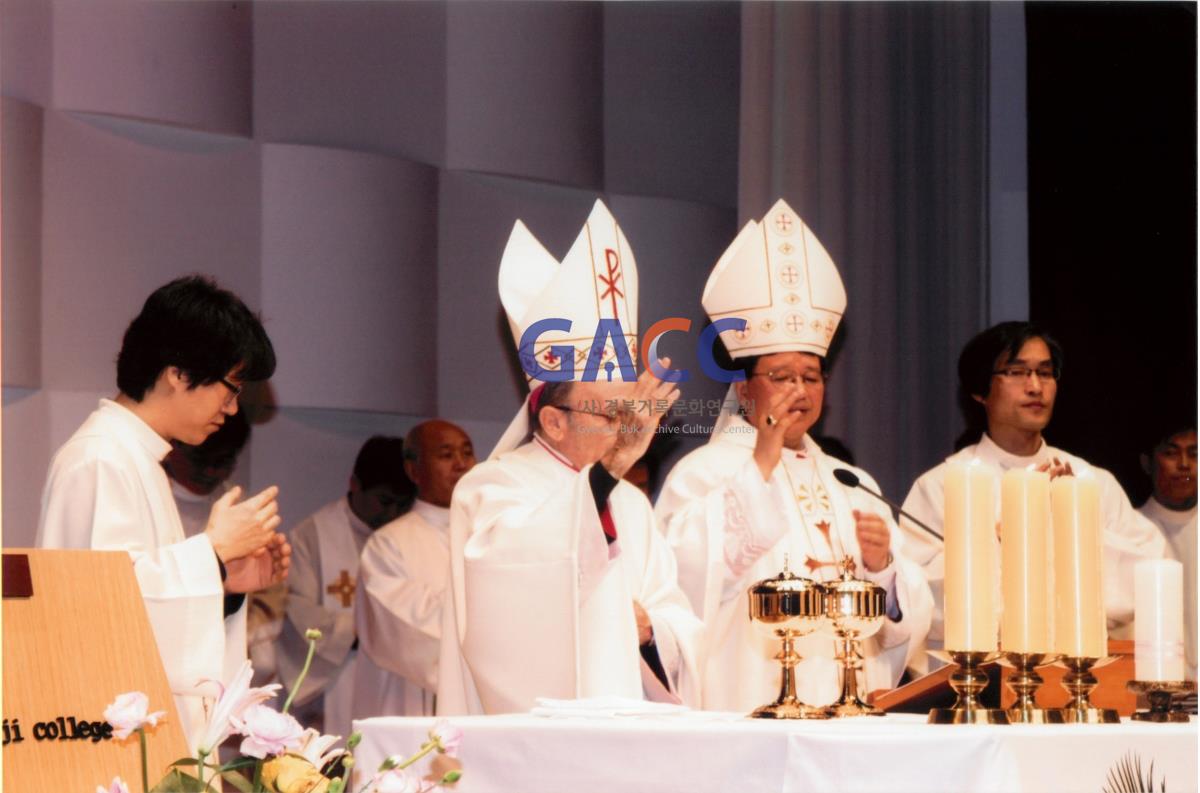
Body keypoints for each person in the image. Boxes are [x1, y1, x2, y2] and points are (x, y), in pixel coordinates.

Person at [655, 199, 933, 711]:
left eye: (811, 377)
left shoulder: (851, 480)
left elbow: (905, 620)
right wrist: (760, 463)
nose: (799, 391)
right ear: (743, 391)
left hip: (850, 707)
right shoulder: (704, 473)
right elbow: (685, 580)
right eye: (782, 378)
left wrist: (885, 571)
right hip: (748, 698)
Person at [436, 200, 703, 715]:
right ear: (554, 420)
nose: (629, 430)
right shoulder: (491, 488)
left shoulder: (630, 502)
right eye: (613, 416)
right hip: (534, 740)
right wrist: (612, 469)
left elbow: (676, 616)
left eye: (633, 414)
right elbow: (506, 614)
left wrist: (653, 632)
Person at [37, 275, 289, 751]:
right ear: (178, 372)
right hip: (108, 746)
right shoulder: (100, 458)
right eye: (231, 388)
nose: (233, 409)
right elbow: (97, 613)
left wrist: (226, 584)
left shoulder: (139, 458)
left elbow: (144, 600)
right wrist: (211, 555)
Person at [900, 321, 1166, 672]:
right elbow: (916, 598)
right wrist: (998, 536)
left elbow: (1147, 576)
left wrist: (1072, 523)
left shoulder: (1090, 481)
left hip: (1077, 679)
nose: (1035, 386)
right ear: (980, 391)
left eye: (1045, 372)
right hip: (975, 682)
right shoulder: (942, 485)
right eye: (1017, 372)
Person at [276, 436, 413, 737]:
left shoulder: (407, 537)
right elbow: (297, 612)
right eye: (385, 501)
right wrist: (366, 629)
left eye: (402, 505)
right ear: (355, 484)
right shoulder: (312, 535)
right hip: (334, 681)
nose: (392, 514)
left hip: (390, 678)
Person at [356, 420, 476, 717]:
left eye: (467, 453)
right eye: (446, 455)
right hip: (411, 703)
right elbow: (402, 630)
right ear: (414, 470)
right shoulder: (388, 544)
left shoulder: (490, 533)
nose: (461, 464)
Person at [1138, 422, 1196, 680]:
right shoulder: (1132, 530)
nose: (1184, 464)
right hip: (1158, 683)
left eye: (1194, 453)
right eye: (1171, 453)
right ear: (1147, 462)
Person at [164, 411, 251, 537]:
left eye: (222, 461)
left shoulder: (238, 506)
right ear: (172, 446)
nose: (210, 471)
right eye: (200, 460)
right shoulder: (148, 494)